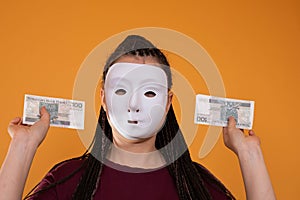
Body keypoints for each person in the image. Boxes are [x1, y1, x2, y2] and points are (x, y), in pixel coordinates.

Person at [0, 35, 276, 200]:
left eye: (149, 93)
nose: (133, 104)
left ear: (168, 102)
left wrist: (249, 153)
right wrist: (22, 146)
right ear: (104, 99)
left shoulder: (196, 187)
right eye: (120, 90)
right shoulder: (67, 180)